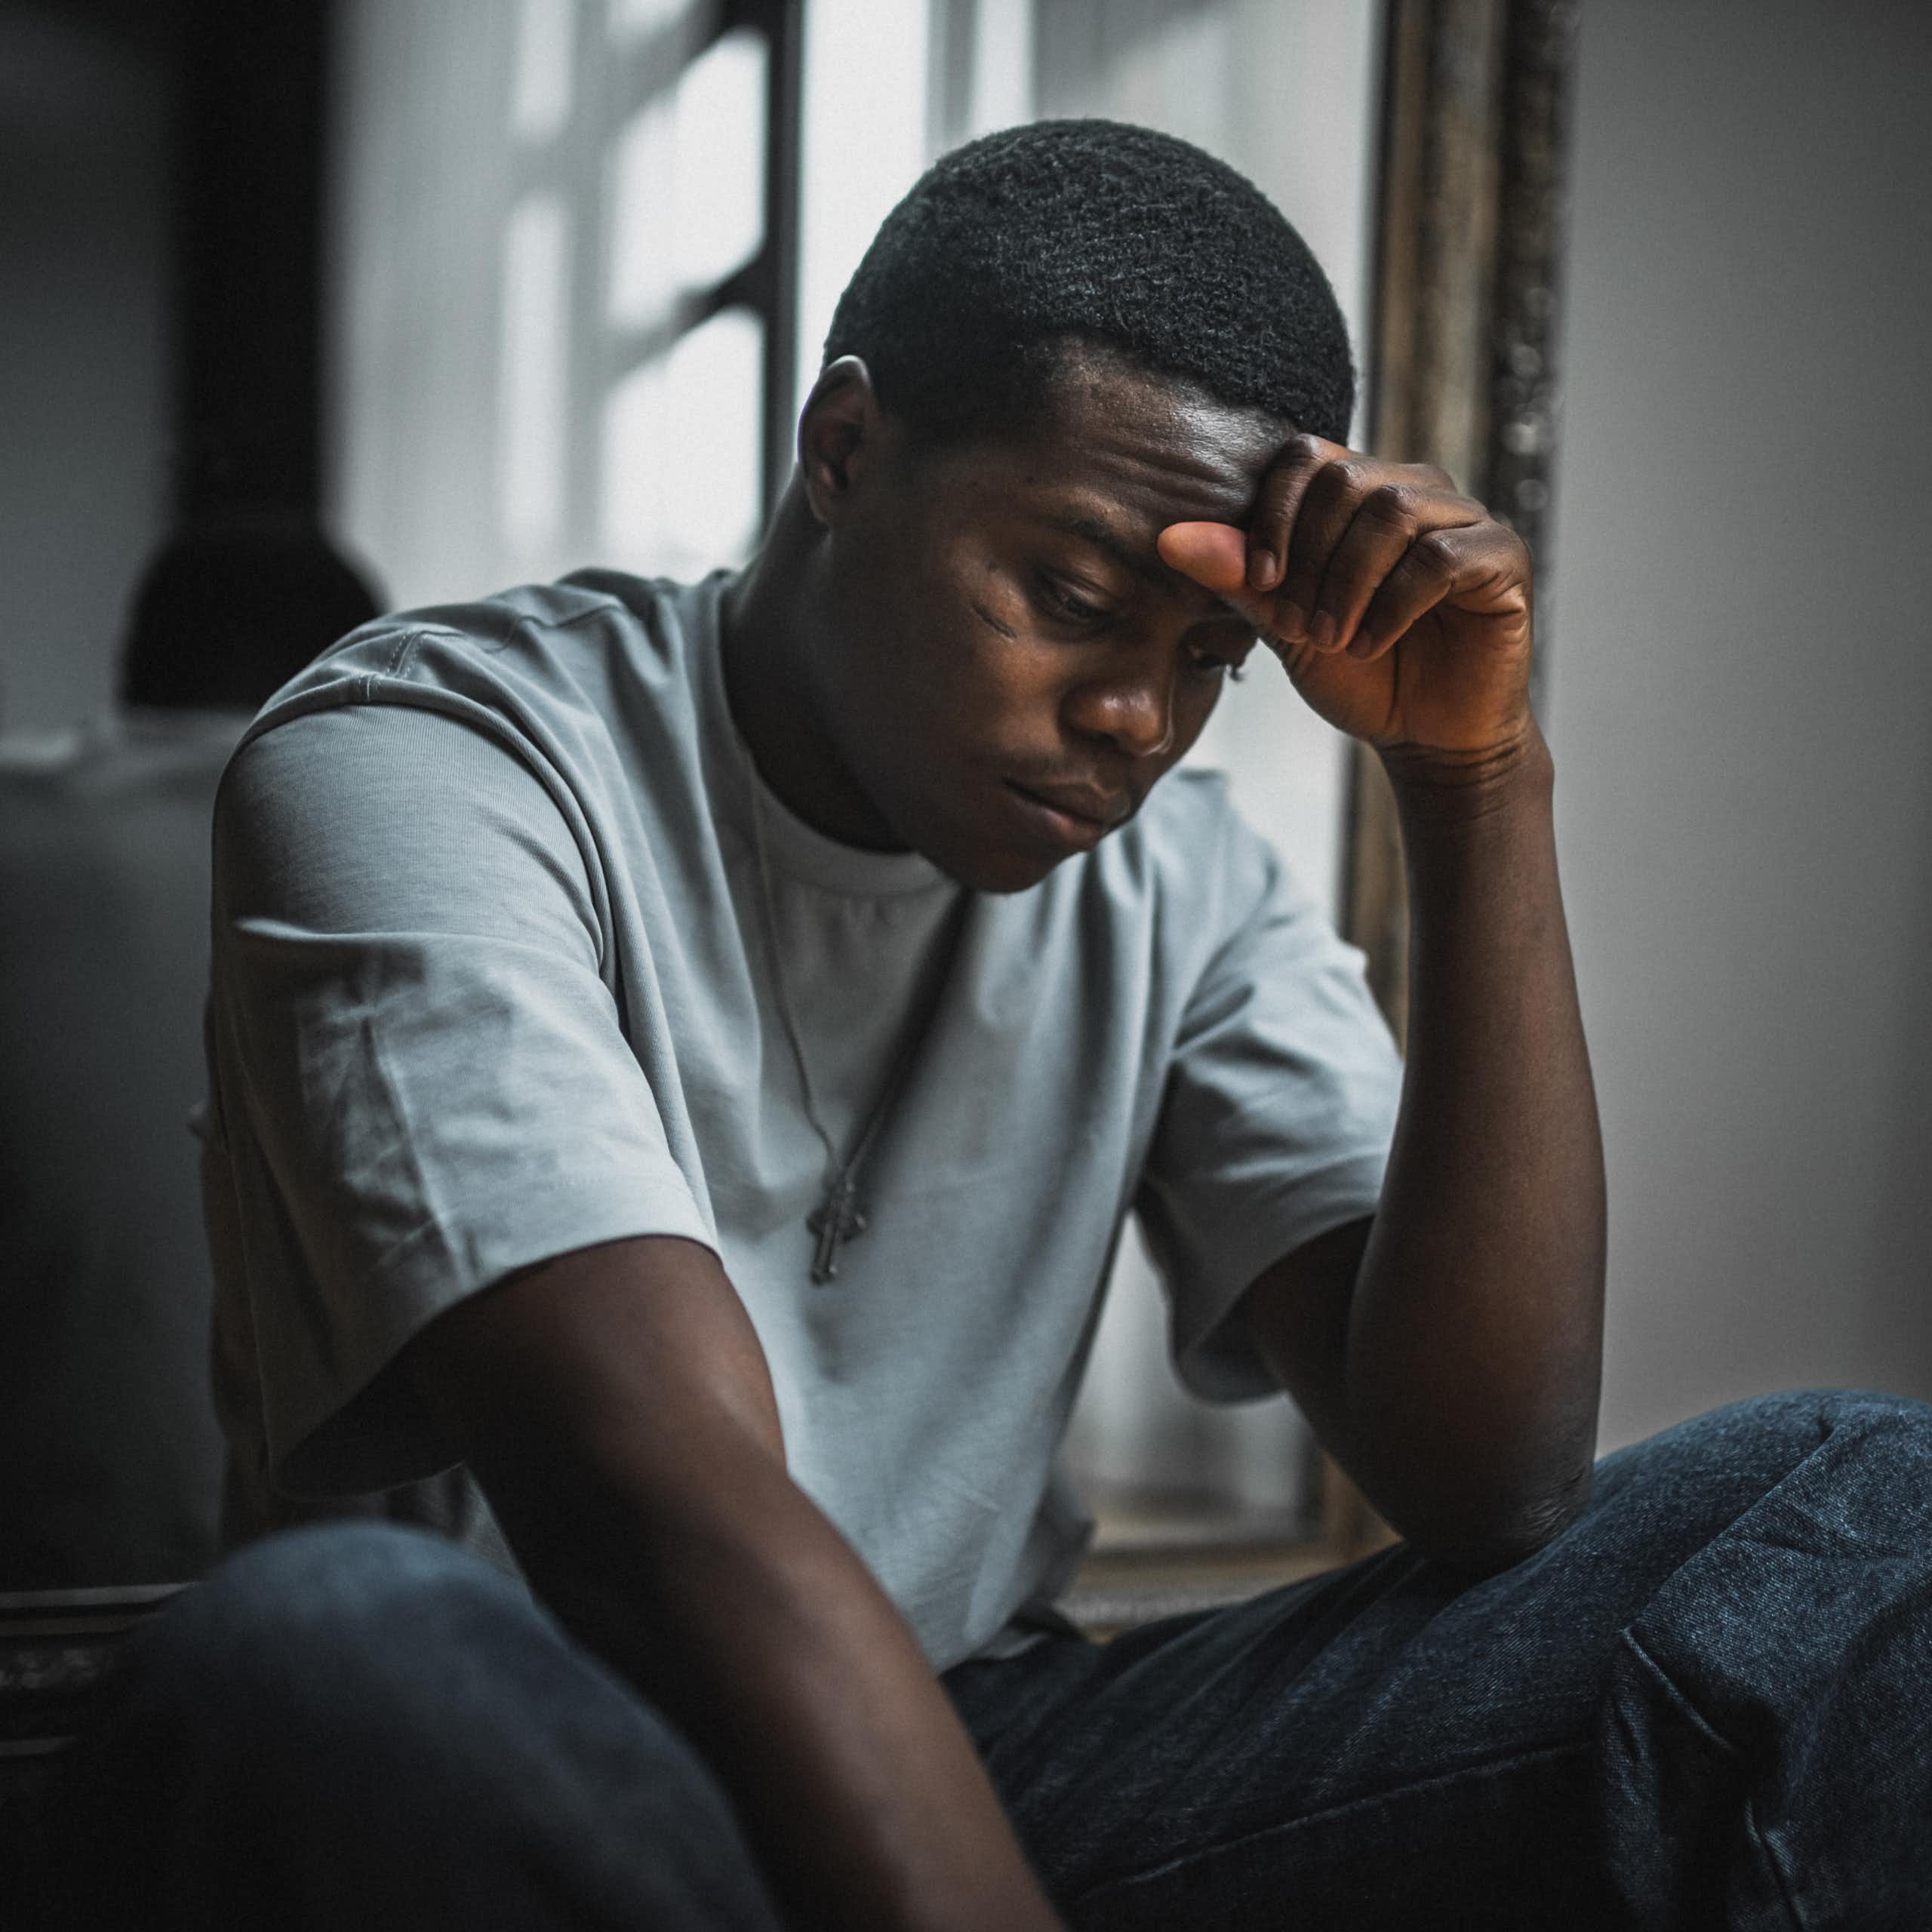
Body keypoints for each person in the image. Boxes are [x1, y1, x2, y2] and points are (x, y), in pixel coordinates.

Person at [34, 121, 1932, 1929]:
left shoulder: (1186, 878)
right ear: (843, 447)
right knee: (316, 1650)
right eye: (1073, 595)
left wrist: (1476, 778)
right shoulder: (428, 762)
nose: (1135, 718)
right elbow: (654, 1499)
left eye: (1206, 658)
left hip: (990, 1761)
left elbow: (1481, 1473)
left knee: (1843, 1510)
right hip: (528, 1759)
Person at [0, 518, 380, 1589]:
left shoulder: (23, 829)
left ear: (133, 673)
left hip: (40, 1593)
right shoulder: (400, 857)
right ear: (358, 690)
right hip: (343, 1600)